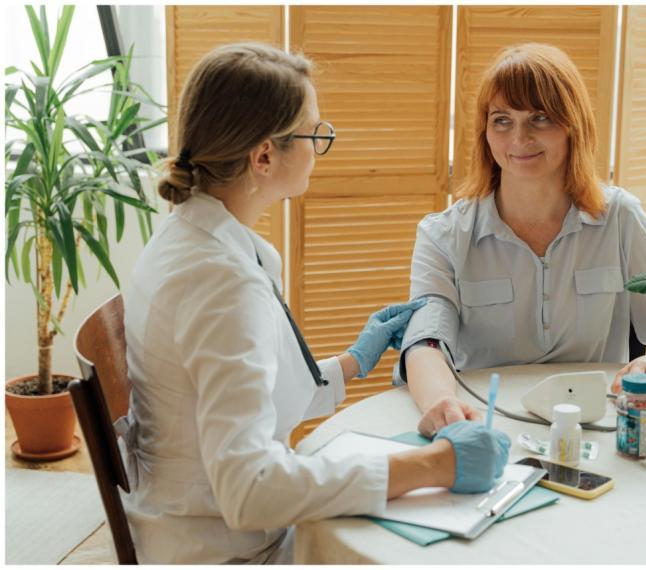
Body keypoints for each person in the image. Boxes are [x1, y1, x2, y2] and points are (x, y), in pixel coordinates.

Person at [119, 43, 510, 564]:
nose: (321, 145)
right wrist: (434, 467)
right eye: (315, 134)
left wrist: (350, 364)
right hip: (227, 550)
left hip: (189, 522)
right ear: (263, 156)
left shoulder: (189, 237)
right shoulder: (222, 283)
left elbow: (229, 401)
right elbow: (249, 490)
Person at [398, 43, 646, 437]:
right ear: (485, 131)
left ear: (573, 125)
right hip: (484, 425)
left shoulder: (620, 217)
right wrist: (440, 404)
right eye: (502, 120)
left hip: (596, 429)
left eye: (540, 118)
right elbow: (424, 343)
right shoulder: (443, 235)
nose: (519, 138)